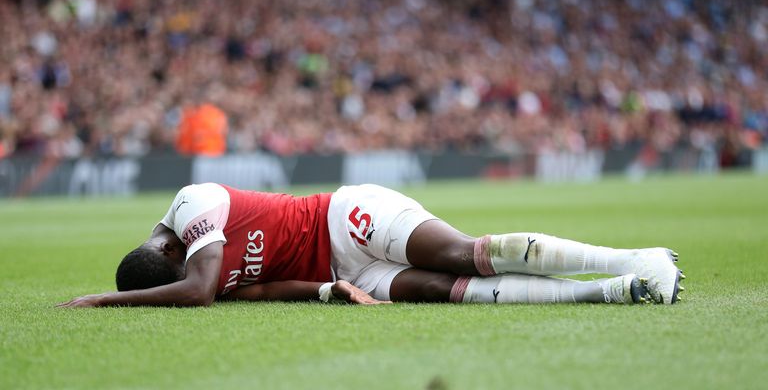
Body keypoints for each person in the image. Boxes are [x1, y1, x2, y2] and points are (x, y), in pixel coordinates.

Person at [57, 183, 684, 308]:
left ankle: (638, 258)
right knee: (449, 292)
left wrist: (97, 302)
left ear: (166, 253)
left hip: (347, 217)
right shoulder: (195, 268)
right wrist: (330, 290)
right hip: (340, 266)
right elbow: (266, 287)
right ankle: (619, 289)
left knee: (462, 253)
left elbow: (195, 292)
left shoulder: (192, 206)